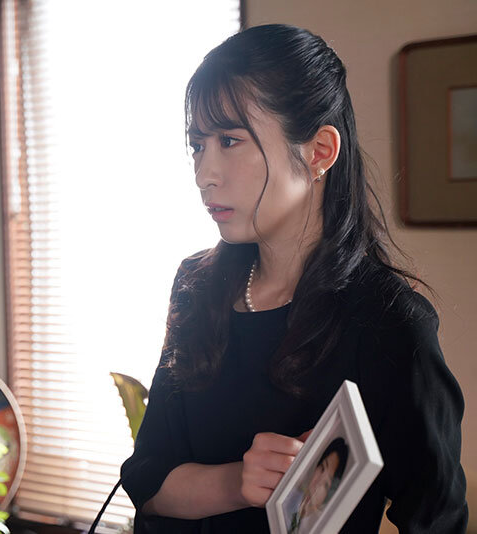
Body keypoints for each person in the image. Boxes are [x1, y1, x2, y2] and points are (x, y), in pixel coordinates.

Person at [120, 24, 467, 533]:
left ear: (319, 152)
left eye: (230, 141)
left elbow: (437, 520)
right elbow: (146, 481)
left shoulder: (389, 323)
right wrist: (239, 481)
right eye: (197, 145)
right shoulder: (197, 285)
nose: (204, 174)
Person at [287, 437, 349, 533]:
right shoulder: (286, 496)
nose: (317, 483)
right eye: (322, 468)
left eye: (326, 484)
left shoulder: (316, 529)